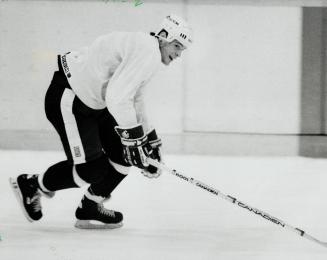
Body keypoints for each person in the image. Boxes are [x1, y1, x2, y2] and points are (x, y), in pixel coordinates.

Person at [9, 14, 193, 229]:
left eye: (182, 49)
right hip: (70, 98)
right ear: (163, 37)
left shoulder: (147, 49)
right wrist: (134, 140)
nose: (179, 54)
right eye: (177, 46)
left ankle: (90, 206)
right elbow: (117, 98)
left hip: (95, 102)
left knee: (123, 158)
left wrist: (150, 139)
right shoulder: (148, 52)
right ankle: (32, 184)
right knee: (91, 170)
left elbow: (135, 98)